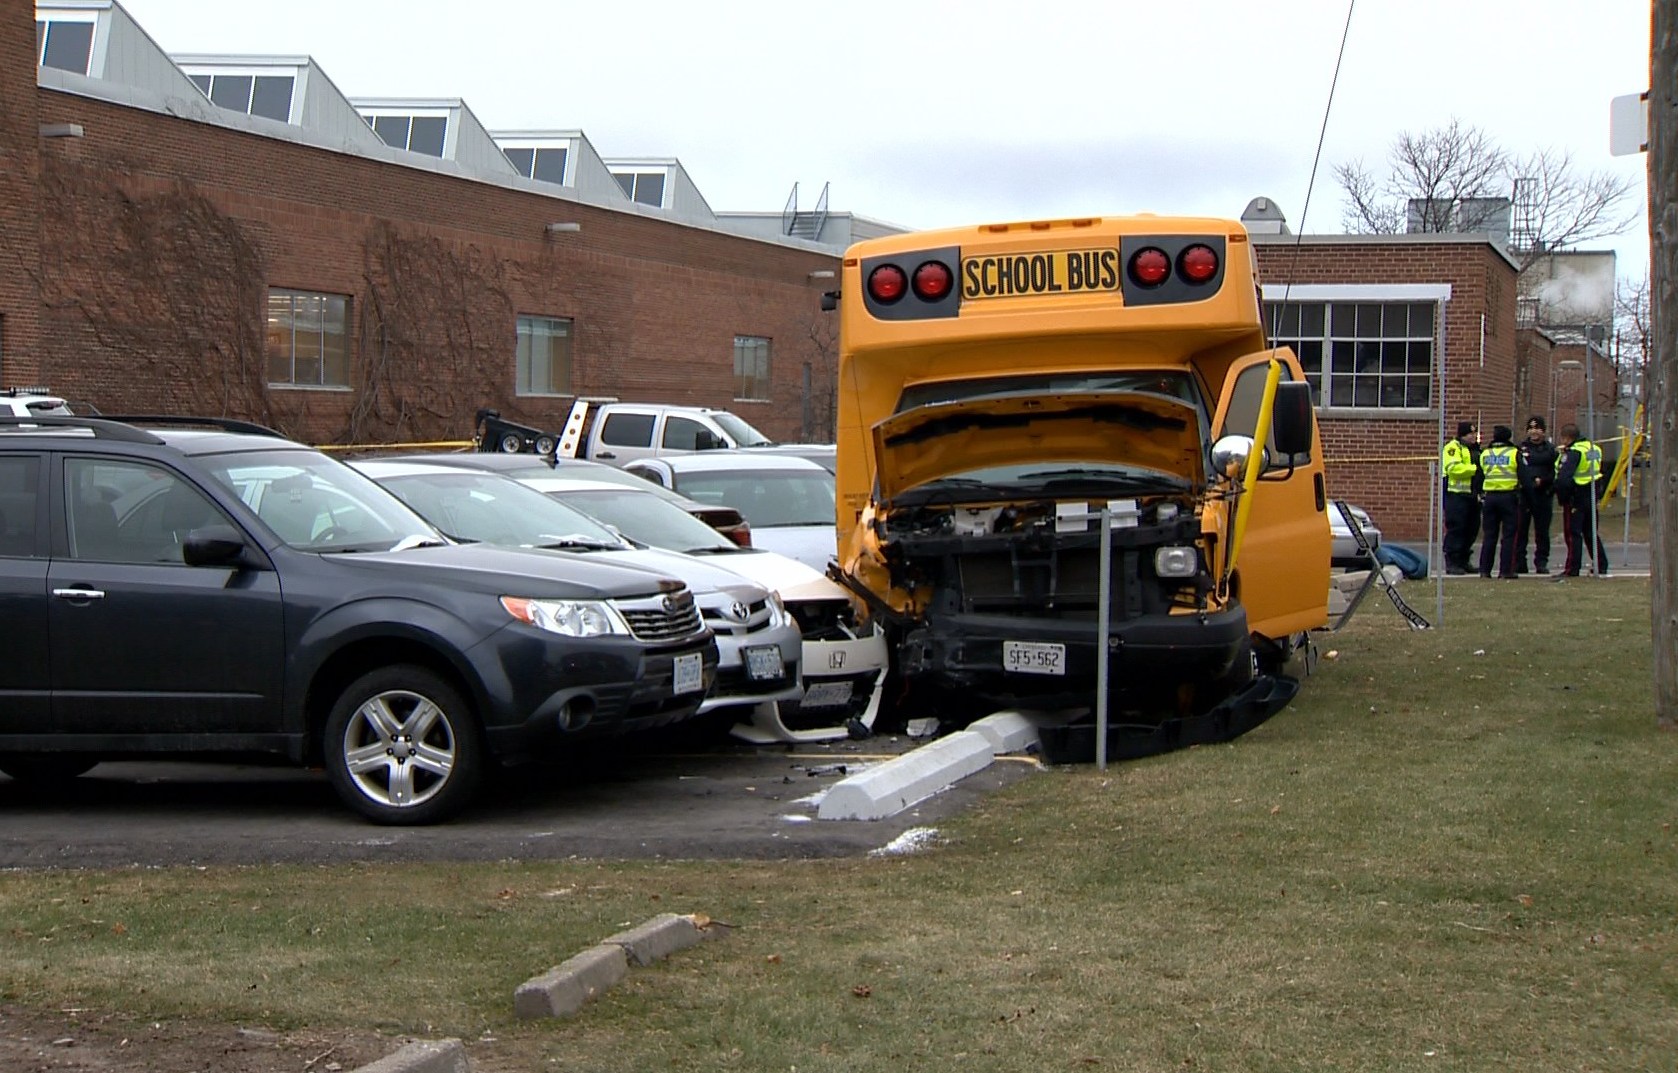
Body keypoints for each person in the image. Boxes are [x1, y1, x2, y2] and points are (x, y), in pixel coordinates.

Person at [1553, 423, 1609, 577]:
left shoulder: (1574, 452)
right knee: (1591, 533)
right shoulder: (1594, 449)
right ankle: (1601, 564)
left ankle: (1572, 568)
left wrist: (1562, 496)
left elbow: (1564, 478)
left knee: (1573, 534)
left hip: (1575, 497)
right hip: (1591, 495)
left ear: (1567, 438)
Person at [1513, 415, 1557, 574]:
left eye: (1537, 428)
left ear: (1543, 431)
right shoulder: (1520, 449)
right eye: (1531, 428)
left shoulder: (1550, 450)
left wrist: (1543, 481)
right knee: (1521, 530)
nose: (1534, 432)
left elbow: (1555, 471)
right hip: (1524, 495)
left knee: (1542, 531)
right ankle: (1519, 562)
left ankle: (1541, 562)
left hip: (1543, 495)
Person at [1476, 425, 1519, 579]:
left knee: (1489, 536)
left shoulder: (1485, 453)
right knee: (1508, 536)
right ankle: (1505, 571)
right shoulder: (1514, 453)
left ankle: (1484, 570)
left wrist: (1479, 493)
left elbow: (1479, 475)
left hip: (1490, 498)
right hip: (1508, 496)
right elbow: (1523, 475)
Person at [1440, 420, 1480, 575]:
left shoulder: (1475, 449)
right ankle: (1452, 561)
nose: (1473, 436)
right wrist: (1474, 469)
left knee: (1471, 529)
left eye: (1474, 433)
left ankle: (1464, 560)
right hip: (1455, 495)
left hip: (1472, 495)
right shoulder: (1452, 448)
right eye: (1470, 433)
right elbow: (1453, 469)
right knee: (1457, 528)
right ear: (1462, 434)